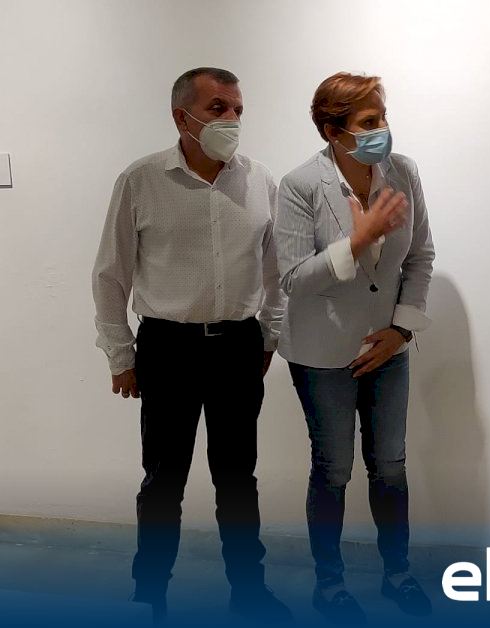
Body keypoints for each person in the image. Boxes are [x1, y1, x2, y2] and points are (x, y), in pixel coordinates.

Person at [91, 67, 291, 623]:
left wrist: (268, 335)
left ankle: (249, 592)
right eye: (218, 108)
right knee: (163, 480)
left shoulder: (259, 181)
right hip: (167, 348)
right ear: (182, 117)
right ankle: (149, 593)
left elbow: (277, 269)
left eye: (238, 109)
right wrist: (120, 354)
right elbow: (110, 275)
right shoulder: (141, 180)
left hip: (238, 347)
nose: (233, 119)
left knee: (238, 478)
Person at [273, 72, 436, 625]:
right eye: (369, 121)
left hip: (389, 347)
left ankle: (398, 573)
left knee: (390, 466)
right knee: (334, 470)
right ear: (332, 131)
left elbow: (421, 256)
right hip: (323, 354)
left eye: (383, 116)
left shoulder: (403, 172)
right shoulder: (300, 185)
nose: (383, 129)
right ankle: (331, 584)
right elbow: (294, 279)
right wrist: (358, 239)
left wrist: (402, 330)